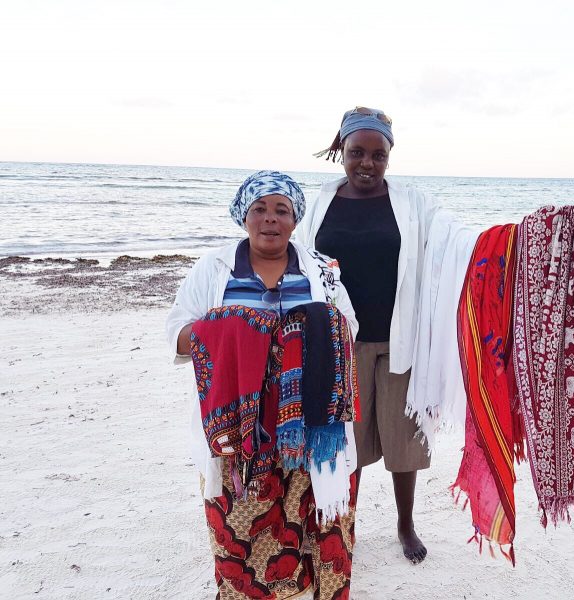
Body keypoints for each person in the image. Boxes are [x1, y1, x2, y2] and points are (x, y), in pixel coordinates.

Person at [166, 170, 359, 599]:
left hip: (310, 419)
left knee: (314, 512)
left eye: (281, 210)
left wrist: (304, 331)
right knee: (240, 515)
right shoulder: (213, 268)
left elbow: (349, 326)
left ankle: (310, 586)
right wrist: (230, 328)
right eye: (259, 209)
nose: (270, 219)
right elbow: (177, 334)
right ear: (243, 216)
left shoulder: (321, 270)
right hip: (238, 422)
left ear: (295, 220)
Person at [298, 108, 442, 564]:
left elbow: (450, 244)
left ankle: (405, 524)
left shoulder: (413, 202)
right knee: (346, 441)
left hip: (400, 337)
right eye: (356, 152)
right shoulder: (318, 203)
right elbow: (296, 260)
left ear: (389, 155)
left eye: (378, 155)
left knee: (404, 440)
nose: (367, 163)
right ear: (341, 150)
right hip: (340, 344)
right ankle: (344, 525)